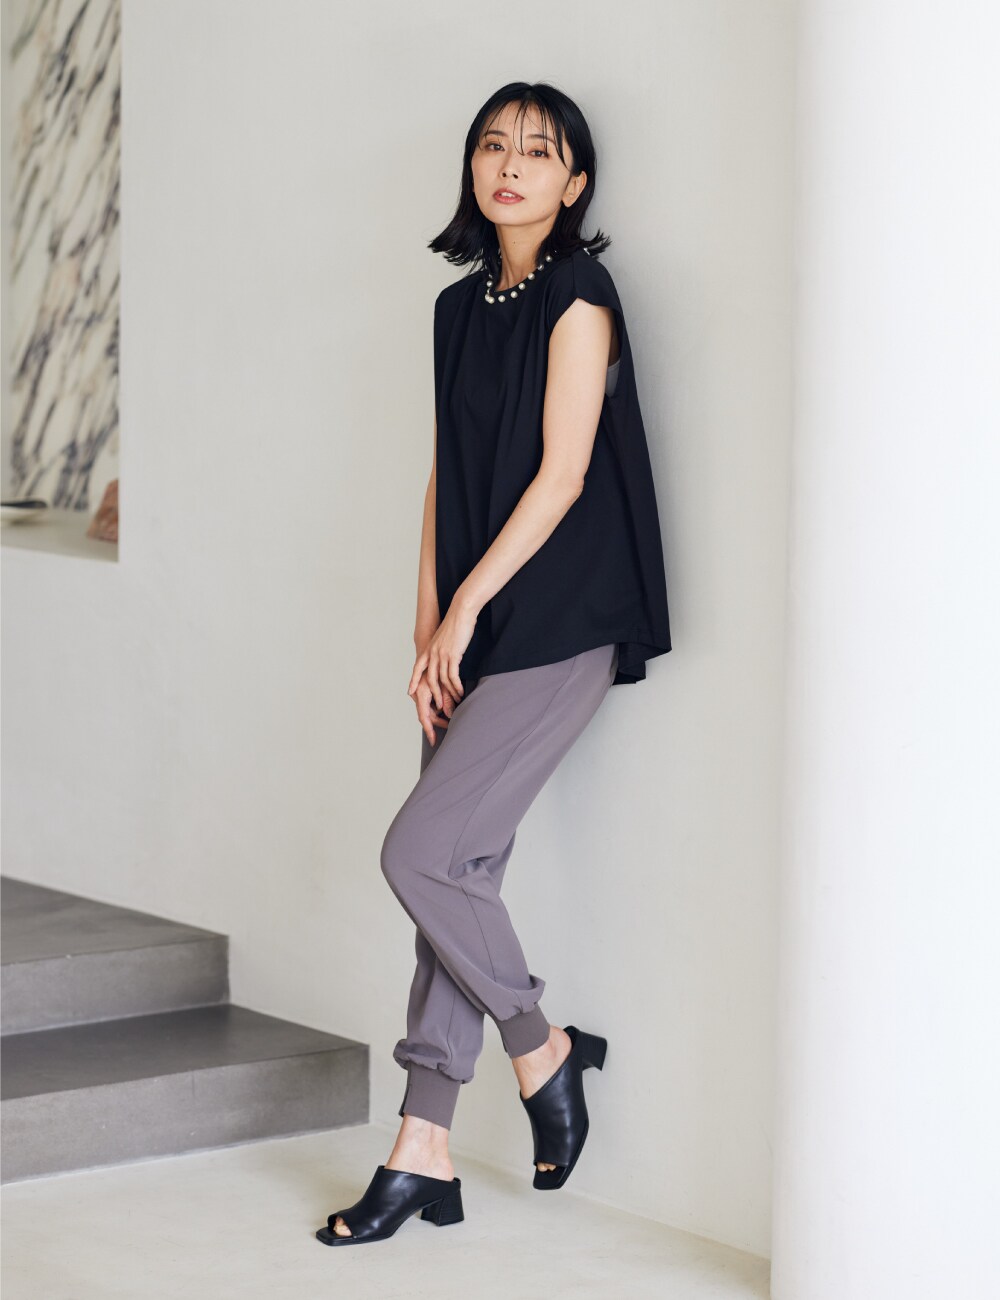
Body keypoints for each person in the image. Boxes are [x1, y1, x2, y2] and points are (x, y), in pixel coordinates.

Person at [317, 81, 671, 1247]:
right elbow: (447, 472)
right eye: (492, 145)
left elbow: (563, 473)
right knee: (454, 873)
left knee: (419, 854)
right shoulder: (455, 308)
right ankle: (422, 1146)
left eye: (538, 150)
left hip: (563, 614)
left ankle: (541, 1045)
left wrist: (467, 608)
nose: (510, 165)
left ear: (574, 183)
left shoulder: (580, 294)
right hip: (470, 622)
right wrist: (427, 626)